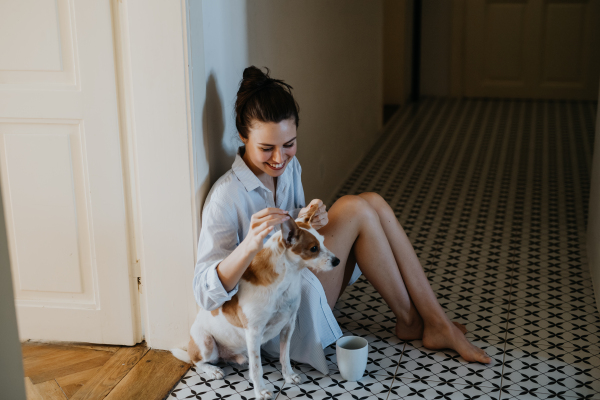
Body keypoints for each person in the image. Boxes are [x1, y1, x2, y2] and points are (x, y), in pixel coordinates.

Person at [193, 66, 491, 374]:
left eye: (289, 144)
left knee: (371, 202)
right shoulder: (225, 197)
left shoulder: (288, 169)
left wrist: (311, 219)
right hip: (270, 321)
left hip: (297, 285)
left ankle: (424, 321)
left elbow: (294, 237)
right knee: (354, 208)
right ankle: (422, 323)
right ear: (243, 137)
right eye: (266, 148)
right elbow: (203, 293)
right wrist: (249, 247)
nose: (280, 158)